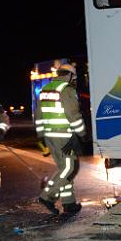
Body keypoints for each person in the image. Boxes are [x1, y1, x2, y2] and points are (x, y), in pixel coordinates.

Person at [34, 63, 88, 217]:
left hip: (50, 135)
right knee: (69, 168)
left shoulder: (45, 90)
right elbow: (73, 115)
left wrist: (41, 135)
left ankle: (69, 203)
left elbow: (38, 115)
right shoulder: (66, 90)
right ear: (69, 75)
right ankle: (47, 197)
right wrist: (82, 133)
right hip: (64, 135)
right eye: (73, 77)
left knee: (64, 169)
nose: (74, 80)